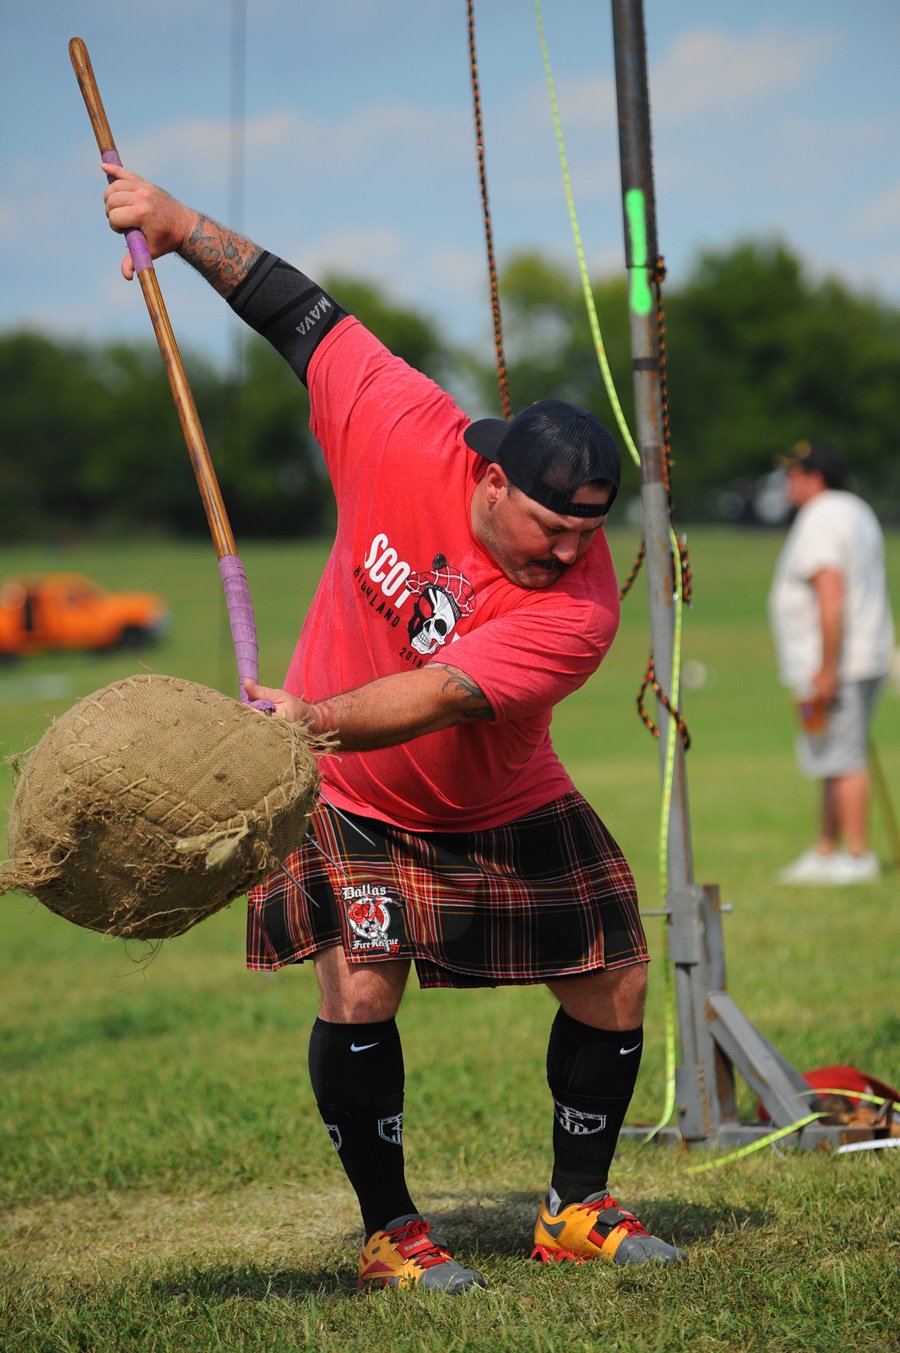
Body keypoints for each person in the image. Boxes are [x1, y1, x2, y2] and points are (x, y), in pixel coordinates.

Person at [102, 162, 686, 1290]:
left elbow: (446, 695)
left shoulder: (579, 610)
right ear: (488, 472)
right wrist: (176, 225)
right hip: (352, 794)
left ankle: (576, 1207)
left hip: (486, 789)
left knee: (614, 972)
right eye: (550, 529)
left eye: (588, 535)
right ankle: (391, 1234)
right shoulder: (402, 420)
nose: (569, 556)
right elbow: (296, 312)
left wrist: (306, 720)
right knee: (361, 986)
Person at [768, 439, 894, 886]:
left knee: (843, 758)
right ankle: (826, 849)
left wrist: (826, 666)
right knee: (829, 754)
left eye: (794, 474)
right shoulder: (854, 509)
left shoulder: (822, 517)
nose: (787, 483)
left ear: (814, 477)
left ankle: (857, 855)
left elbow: (830, 591)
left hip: (838, 662)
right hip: (861, 655)